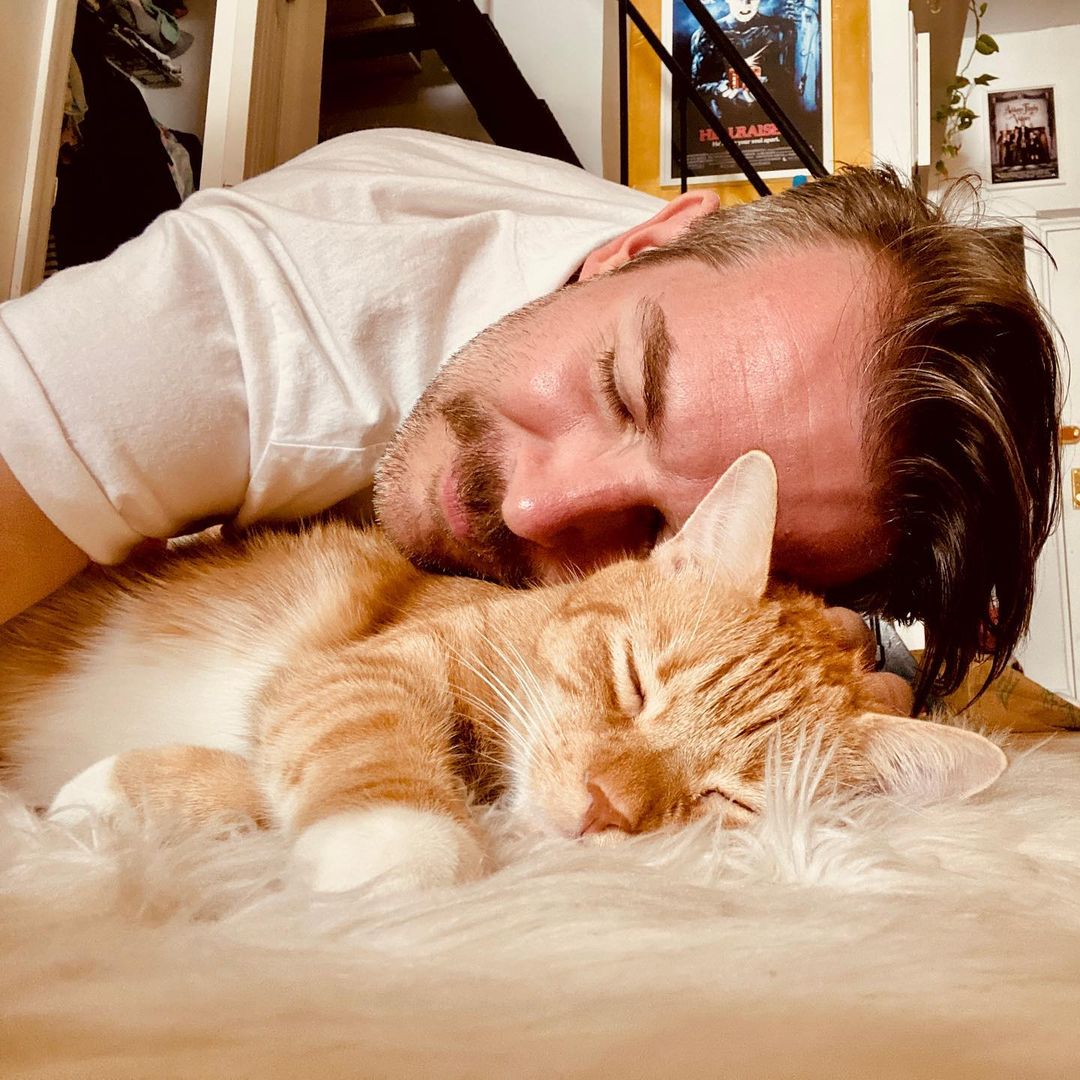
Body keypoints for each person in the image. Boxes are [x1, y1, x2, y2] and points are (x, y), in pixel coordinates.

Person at [0, 128, 1059, 712]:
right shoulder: (266, 323)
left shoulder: (720, 335)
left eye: (653, 535)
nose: (538, 506)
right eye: (623, 390)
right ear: (638, 245)